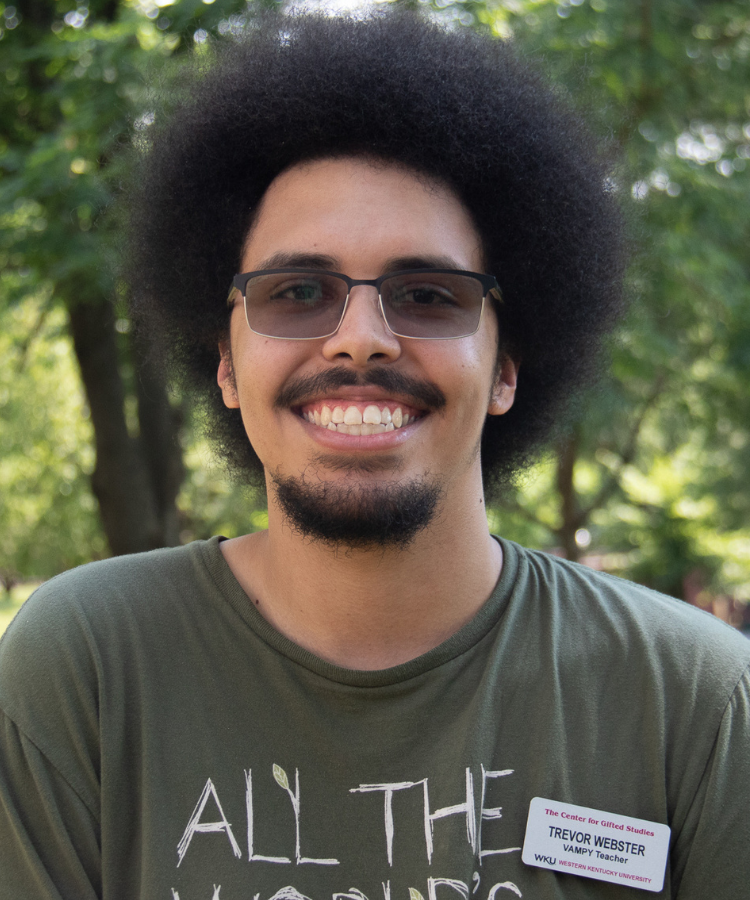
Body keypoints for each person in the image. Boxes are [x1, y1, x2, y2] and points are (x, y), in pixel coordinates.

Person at [0, 13, 748, 900]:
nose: (361, 339)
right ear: (227, 366)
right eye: (298, 292)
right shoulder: (84, 668)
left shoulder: (695, 703)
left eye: (427, 294)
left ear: (507, 368)